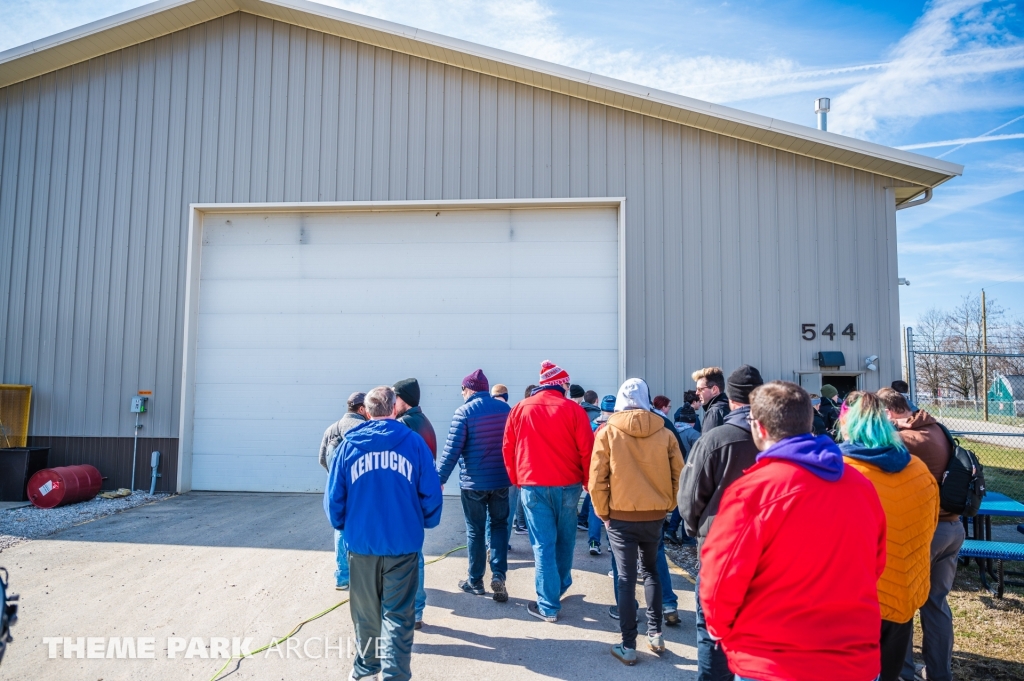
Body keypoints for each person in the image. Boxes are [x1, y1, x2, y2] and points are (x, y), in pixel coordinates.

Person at [700, 381, 887, 681]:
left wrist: (723, 632)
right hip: (853, 659)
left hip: (774, 662)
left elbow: (720, 580)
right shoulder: (861, 487)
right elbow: (875, 563)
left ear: (759, 428)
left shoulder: (752, 492)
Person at [323, 386, 443, 681]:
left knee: (366, 613)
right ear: (392, 409)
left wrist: (343, 525)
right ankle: (394, 673)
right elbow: (431, 493)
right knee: (398, 615)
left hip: (362, 544)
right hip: (402, 544)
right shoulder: (413, 444)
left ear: (367, 411)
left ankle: (366, 668)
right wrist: (425, 521)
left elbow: (333, 499)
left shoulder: (349, 446)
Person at [838, 391, 939, 681]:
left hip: (854, 604)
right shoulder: (920, 471)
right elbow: (929, 528)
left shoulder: (840, 473)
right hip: (903, 596)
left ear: (847, 426)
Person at [677, 364, 764, 681]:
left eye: (701, 389)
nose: (697, 394)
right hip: (766, 555)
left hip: (719, 552)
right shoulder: (778, 439)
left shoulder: (716, 435)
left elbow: (689, 499)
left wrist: (697, 532)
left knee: (713, 634)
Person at [590, 378, 684, 665]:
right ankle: (655, 634)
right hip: (655, 514)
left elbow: (597, 479)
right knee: (653, 573)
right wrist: (667, 505)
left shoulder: (607, 432)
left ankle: (628, 645)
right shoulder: (664, 431)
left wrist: (603, 513)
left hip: (620, 515)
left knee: (626, 578)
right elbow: (680, 475)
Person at [876, 389, 962, 681]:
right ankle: (940, 673)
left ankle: (903, 671)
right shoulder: (937, 429)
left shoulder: (905, 441)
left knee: (904, 602)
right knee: (936, 604)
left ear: (888, 413)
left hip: (926, 530)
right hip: (952, 527)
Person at [502, 360, 595, 622]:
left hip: (533, 484)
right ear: (561, 384)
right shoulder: (573, 410)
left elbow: (508, 447)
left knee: (543, 544)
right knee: (565, 539)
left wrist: (516, 478)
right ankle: (558, 586)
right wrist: (588, 482)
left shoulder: (520, 408)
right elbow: (587, 450)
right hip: (568, 485)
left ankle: (548, 604)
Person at [437, 369, 512, 603]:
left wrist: (438, 480)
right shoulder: (505, 410)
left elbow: (451, 451)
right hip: (501, 481)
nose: (461, 394)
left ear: (469, 389)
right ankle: (499, 575)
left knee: (476, 531)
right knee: (499, 526)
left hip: (474, 483)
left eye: (462, 389)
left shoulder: (464, 412)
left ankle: (475, 581)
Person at [393, 377, 437, 628]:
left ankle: (414, 609)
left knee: (409, 557)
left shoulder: (405, 425)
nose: (392, 403)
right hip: (418, 497)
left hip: (407, 499)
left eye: (395, 399)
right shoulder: (424, 421)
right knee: (414, 554)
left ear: (403, 400)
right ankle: (416, 609)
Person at [318, 391, 367, 591]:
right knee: (362, 529)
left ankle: (342, 577)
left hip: (336, 488)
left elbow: (322, 459)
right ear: (362, 409)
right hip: (358, 488)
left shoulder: (331, 429)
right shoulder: (363, 428)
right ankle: (364, 576)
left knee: (340, 529)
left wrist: (334, 478)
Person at [664, 404, 700, 545]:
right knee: (687, 504)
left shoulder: (670, 430)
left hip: (670, 471)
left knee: (679, 502)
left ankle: (671, 530)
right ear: (691, 421)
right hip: (688, 472)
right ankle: (686, 536)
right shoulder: (693, 434)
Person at [394, 378, 437, 458]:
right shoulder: (424, 420)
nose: (393, 402)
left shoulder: (402, 422)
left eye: (395, 397)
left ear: (405, 398)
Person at [693, 367, 730, 432]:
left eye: (700, 389)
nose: (696, 393)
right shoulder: (730, 408)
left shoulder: (714, 413)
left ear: (714, 390)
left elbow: (707, 442)